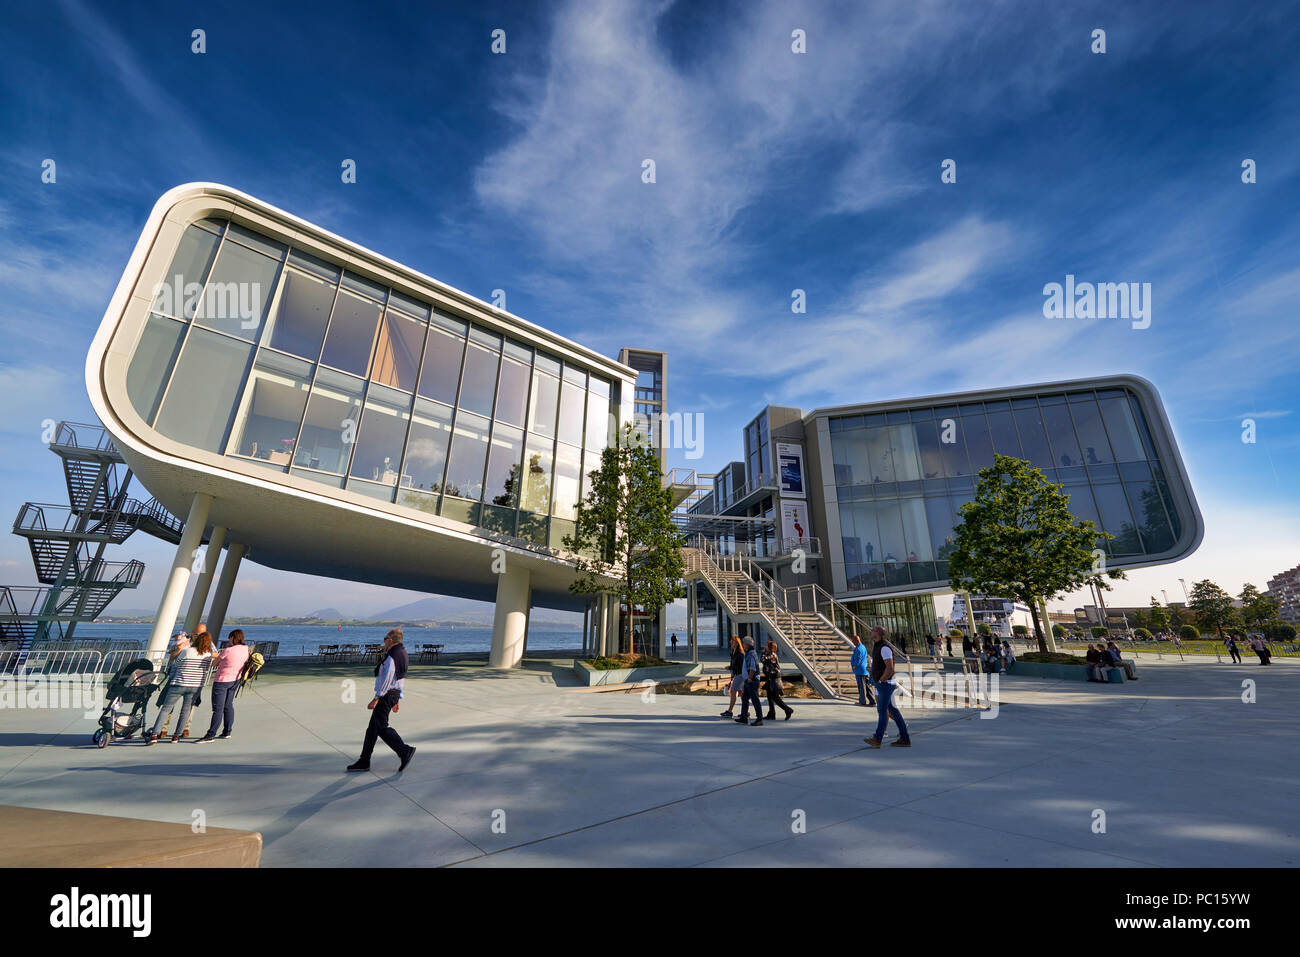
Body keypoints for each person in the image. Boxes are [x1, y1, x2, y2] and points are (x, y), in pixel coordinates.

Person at [348, 629, 416, 772]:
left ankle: (404, 751)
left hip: (386, 695)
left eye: (384, 638)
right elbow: (400, 678)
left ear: (390, 640)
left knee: (382, 728)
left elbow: (388, 678)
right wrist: (398, 697)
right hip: (393, 694)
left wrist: (377, 698)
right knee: (372, 730)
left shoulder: (393, 656)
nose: (383, 641)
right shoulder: (402, 652)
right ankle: (364, 761)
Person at [145, 632, 210, 744]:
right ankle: (176, 736)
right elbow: (207, 668)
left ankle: (155, 734)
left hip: (179, 683)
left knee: (166, 708)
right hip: (194, 685)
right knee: (185, 711)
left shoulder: (186, 651)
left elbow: (177, 663)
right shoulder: (207, 655)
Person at [160, 622, 215, 738]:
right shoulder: (184, 641)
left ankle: (184, 729)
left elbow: (215, 654)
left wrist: (204, 653)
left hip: (195, 680)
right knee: (168, 704)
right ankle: (163, 729)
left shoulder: (207, 643)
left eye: (202, 634)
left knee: (190, 705)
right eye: (197, 634)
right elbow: (172, 656)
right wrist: (180, 649)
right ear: (193, 633)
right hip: (176, 677)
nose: (199, 636)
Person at [198, 629, 251, 742]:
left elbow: (214, 663)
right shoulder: (245, 649)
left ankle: (211, 734)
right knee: (228, 705)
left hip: (222, 680)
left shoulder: (228, 650)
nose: (229, 640)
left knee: (218, 708)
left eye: (229, 638)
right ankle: (227, 731)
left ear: (232, 638)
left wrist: (213, 656)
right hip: (236, 679)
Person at [864, 626, 910, 748]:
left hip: (886, 684)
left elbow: (890, 667)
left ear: (878, 633)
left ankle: (877, 738)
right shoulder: (878, 646)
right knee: (892, 711)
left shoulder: (884, 648)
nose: (871, 632)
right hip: (883, 683)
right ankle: (905, 738)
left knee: (882, 710)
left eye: (873, 630)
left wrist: (881, 680)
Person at [761, 640, 793, 721]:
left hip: (774, 679)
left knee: (775, 697)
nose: (765, 646)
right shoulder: (771, 654)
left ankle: (787, 709)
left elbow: (763, 660)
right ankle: (771, 713)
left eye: (767, 646)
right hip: (770, 678)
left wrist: (763, 653)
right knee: (769, 696)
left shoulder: (772, 655)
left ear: (769, 647)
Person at [735, 636, 764, 726]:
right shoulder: (748, 653)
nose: (743, 645)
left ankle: (759, 719)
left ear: (747, 644)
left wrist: (750, 678)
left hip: (752, 680)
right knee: (745, 698)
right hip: (748, 680)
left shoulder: (751, 654)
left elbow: (752, 667)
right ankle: (744, 717)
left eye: (744, 643)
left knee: (755, 700)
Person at [721, 636, 745, 717]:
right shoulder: (733, 652)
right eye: (731, 641)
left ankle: (730, 711)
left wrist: (730, 667)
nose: (731, 642)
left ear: (737, 643)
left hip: (740, 675)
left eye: (733, 641)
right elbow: (734, 664)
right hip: (736, 674)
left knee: (733, 691)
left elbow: (740, 666)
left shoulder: (740, 653)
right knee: (741, 693)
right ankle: (745, 711)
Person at [850, 634, 875, 707]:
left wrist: (854, 666)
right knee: (866, 687)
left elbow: (858, 660)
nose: (852, 642)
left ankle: (862, 701)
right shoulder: (862, 647)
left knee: (862, 687)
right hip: (863, 670)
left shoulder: (859, 649)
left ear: (856, 641)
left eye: (853, 641)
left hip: (860, 671)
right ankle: (872, 701)